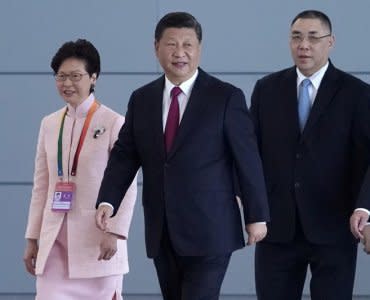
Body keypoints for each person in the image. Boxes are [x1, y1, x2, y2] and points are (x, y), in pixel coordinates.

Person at [95, 12, 270, 300]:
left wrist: (257, 214)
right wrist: (108, 199)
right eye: (171, 44)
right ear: (156, 48)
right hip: (162, 229)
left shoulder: (226, 97)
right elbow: (126, 155)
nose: (180, 53)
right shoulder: (142, 99)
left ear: (199, 49)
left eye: (188, 45)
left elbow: (247, 159)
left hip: (211, 229)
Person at [250, 10, 370, 300]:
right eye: (296, 37)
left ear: (330, 42)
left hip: (336, 226)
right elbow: (251, 153)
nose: (304, 45)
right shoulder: (266, 89)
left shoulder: (357, 93)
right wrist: (251, 204)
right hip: (277, 227)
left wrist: (365, 208)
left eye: (313, 38)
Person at [23, 39, 137, 300]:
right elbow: (41, 186)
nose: (67, 83)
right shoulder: (50, 124)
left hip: (97, 241)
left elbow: (126, 183)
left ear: (93, 78)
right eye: (61, 76)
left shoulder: (114, 122)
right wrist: (32, 238)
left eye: (75, 76)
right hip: (54, 243)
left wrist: (115, 232)